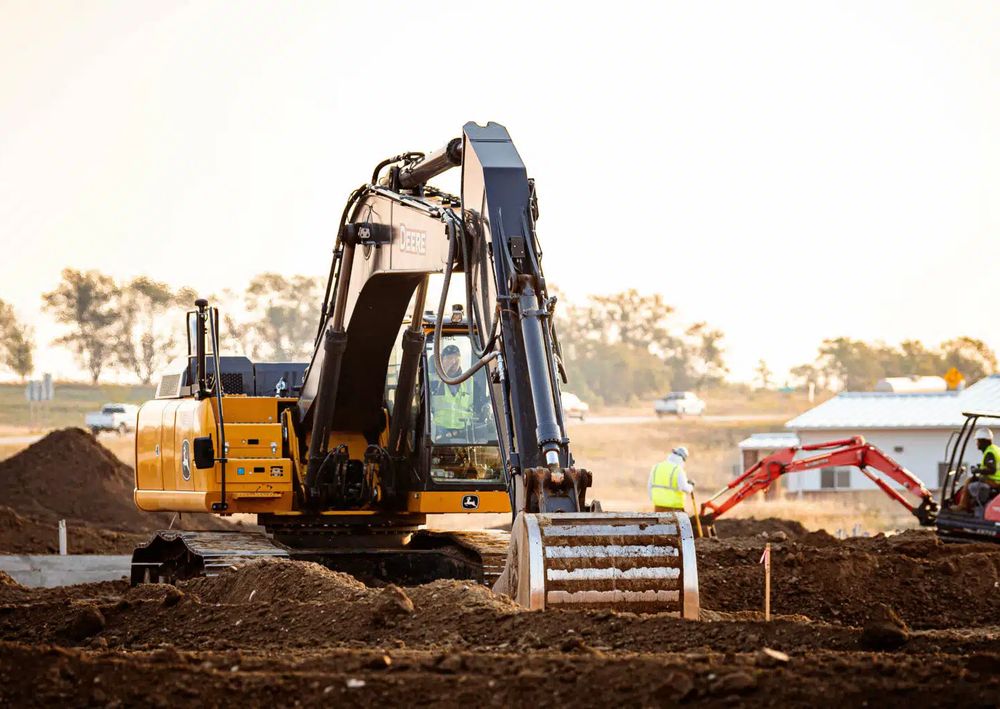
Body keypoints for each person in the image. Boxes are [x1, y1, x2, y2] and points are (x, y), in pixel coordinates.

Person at [430, 343, 474, 438]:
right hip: (439, 432)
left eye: (456, 358)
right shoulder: (432, 380)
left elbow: (479, 404)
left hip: (464, 432)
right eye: (449, 359)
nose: (453, 362)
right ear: (441, 361)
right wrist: (444, 371)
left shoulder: (470, 381)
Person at [960, 427, 1000, 512]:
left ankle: (963, 506)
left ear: (983, 441)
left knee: (969, 481)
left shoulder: (990, 452)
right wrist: (980, 468)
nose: (977, 444)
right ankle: (972, 505)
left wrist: (977, 470)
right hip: (996, 480)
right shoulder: (995, 449)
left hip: (996, 481)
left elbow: (992, 470)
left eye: (978, 441)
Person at [648, 446, 694, 512]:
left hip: (658, 507)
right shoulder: (678, 470)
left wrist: (654, 500)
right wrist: (691, 486)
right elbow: (684, 488)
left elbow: (649, 486)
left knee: (660, 522)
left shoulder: (656, 467)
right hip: (674, 508)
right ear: (683, 459)